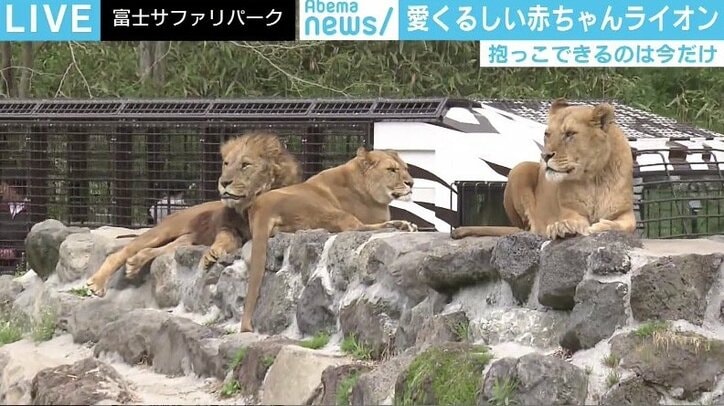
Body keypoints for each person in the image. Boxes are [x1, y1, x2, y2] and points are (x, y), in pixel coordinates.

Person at [0, 172, 30, 274]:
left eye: (4, 187)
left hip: (21, 265)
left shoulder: (31, 212)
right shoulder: (1, 209)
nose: (1, 191)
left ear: (14, 189)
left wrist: (15, 251)